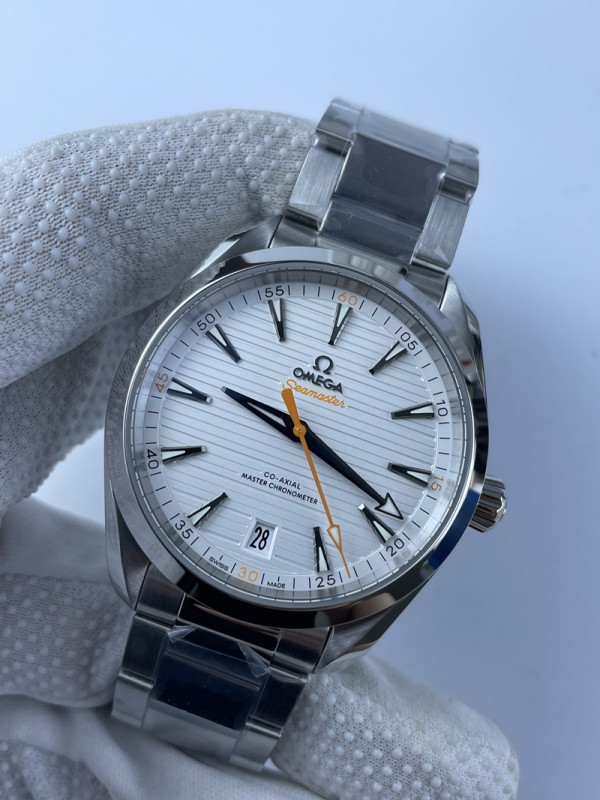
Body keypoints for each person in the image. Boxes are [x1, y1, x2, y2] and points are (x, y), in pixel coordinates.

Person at [0, 107, 519, 800]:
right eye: (293, 425)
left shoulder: (445, 347)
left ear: (471, 500)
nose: (301, 433)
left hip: (278, 596)